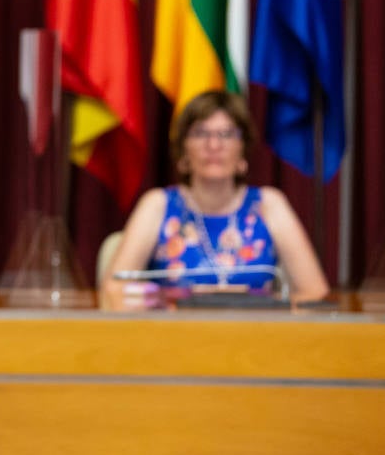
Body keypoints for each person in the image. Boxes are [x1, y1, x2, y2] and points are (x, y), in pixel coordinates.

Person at [102, 90, 329, 305]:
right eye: (201, 133)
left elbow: (315, 292)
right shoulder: (157, 204)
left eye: (226, 134)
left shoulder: (269, 204)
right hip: (173, 338)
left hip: (256, 337)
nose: (214, 145)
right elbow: (114, 288)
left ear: (243, 150)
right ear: (183, 151)